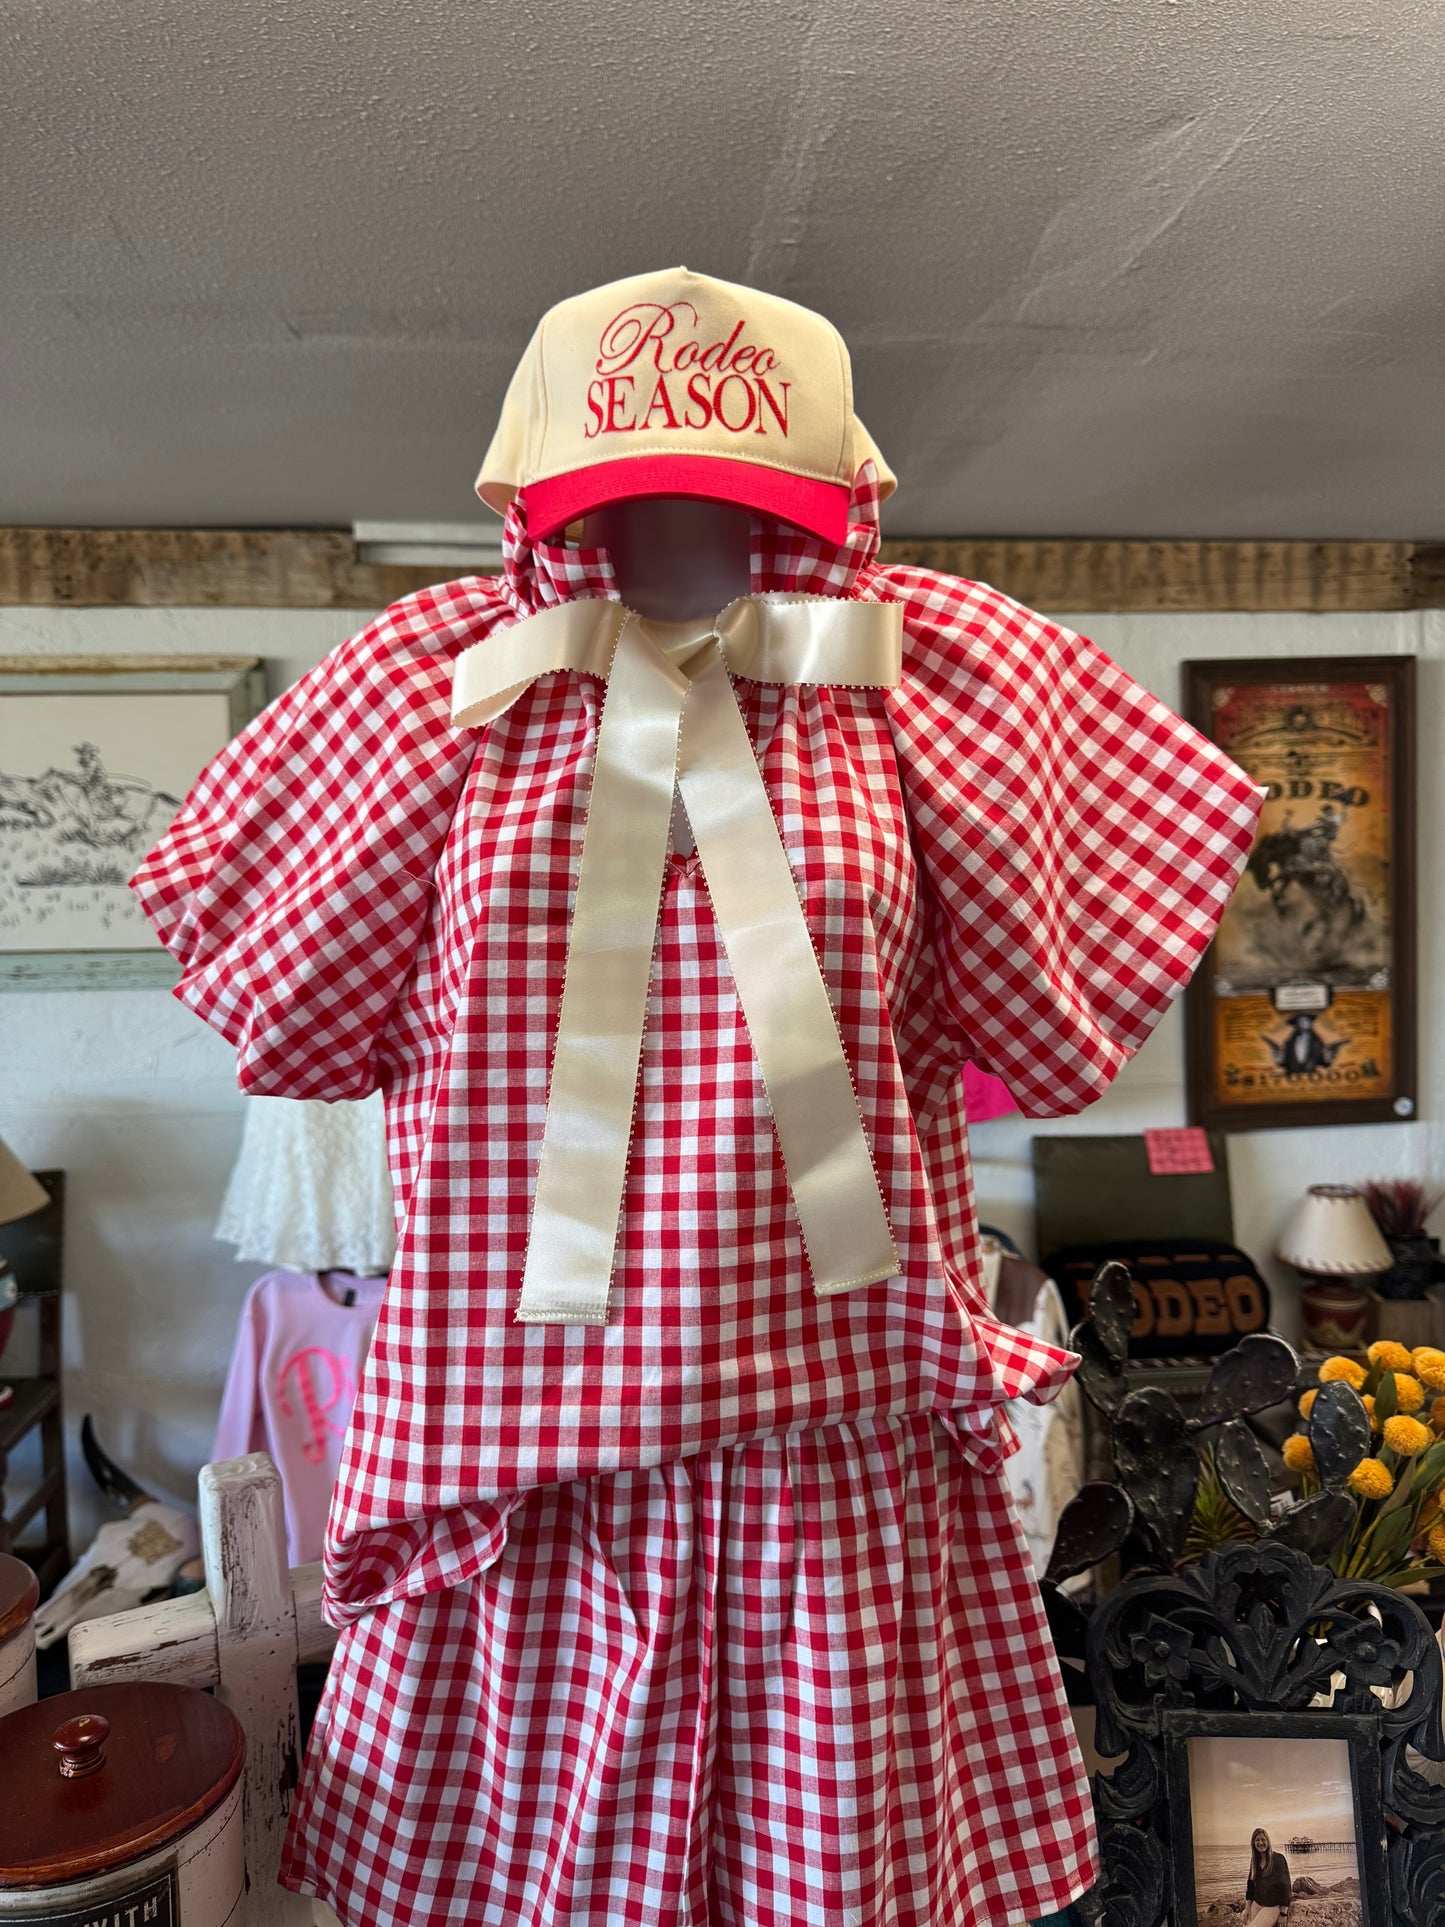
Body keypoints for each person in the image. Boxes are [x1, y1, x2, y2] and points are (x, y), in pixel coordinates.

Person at [130, 266, 1265, 1927]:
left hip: (840, 1443)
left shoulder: (935, 679)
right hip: (521, 1458)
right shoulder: (432, 681)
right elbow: (293, 1023)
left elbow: (1060, 1014)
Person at [1245, 1827, 1292, 1923]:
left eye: (1263, 1839)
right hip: (1256, 1904)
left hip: (1272, 1907)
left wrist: (1283, 1913)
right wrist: (1247, 1906)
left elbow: (1286, 1886)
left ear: (1268, 1841)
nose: (1261, 1843)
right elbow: (1250, 1885)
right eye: (1257, 1840)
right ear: (1253, 1843)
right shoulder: (1254, 1861)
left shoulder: (1278, 1859)